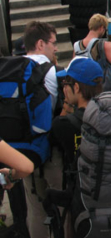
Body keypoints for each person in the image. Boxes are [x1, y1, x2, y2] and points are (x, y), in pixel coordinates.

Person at [23, 21, 62, 238]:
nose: (55, 48)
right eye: (53, 43)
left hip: (22, 153)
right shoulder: (50, 71)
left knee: (35, 210)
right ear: (41, 44)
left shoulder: (13, 68)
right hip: (49, 151)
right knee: (63, 203)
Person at [51, 58, 103, 172]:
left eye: (66, 84)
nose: (64, 88)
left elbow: (52, 139)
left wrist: (67, 103)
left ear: (76, 87)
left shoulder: (63, 124)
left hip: (83, 184)